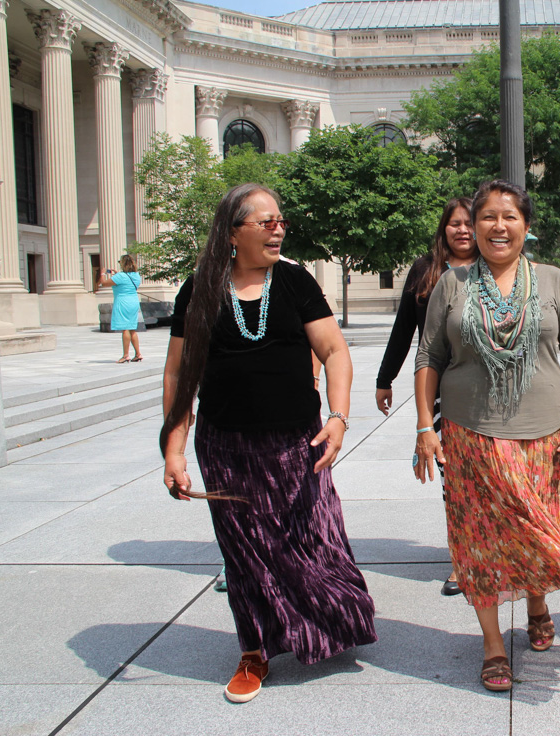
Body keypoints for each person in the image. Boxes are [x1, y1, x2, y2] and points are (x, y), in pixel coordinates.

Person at [161, 183, 376, 703]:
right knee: (246, 554)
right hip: (227, 446)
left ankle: (328, 623)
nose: (278, 229)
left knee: (311, 540)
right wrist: (173, 449)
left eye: (281, 221)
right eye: (266, 222)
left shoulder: (296, 282)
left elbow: (335, 350)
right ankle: (254, 651)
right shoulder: (199, 289)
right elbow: (179, 373)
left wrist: (340, 417)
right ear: (233, 232)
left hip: (297, 443)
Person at [413, 179, 560, 693]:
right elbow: (429, 357)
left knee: (538, 535)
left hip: (546, 438)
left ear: (526, 227)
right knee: (479, 542)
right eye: (487, 216)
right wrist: (425, 425)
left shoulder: (551, 280)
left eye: (509, 216)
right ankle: (491, 645)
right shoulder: (453, 283)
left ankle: (536, 603)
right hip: (470, 436)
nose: (498, 226)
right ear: (474, 226)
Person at [375, 198, 476, 597]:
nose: (463, 230)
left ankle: (492, 552)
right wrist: (386, 378)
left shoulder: (492, 268)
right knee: (453, 476)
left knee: (486, 474)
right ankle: (461, 561)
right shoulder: (425, 270)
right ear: (443, 229)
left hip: (482, 388)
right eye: (455, 224)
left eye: (469, 223)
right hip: (439, 390)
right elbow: (404, 328)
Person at [99, 254, 144, 363]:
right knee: (132, 328)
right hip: (134, 301)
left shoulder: (120, 277)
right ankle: (138, 354)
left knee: (125, 328)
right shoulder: (137, 276)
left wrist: (102, 273)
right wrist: (117, 274)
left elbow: (104, 283)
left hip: (123, 302)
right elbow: (126, 281)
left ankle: (125, 355)